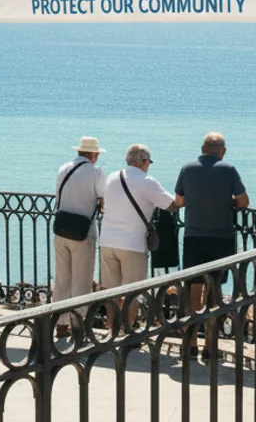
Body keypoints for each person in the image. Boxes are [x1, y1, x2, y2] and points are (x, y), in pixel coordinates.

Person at [99, 144, 177, 327]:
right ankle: (127, 331)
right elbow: (171, 205)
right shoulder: (147, 180)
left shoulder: (112, 177)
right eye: (148, 162)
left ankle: (112, 332)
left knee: (110, 292)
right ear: (142, 162)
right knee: (132, 292)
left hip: (107, 241)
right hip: (132, 243)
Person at [174, 133, 248, 318]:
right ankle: (210, 333)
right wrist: (228, 200)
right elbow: (243, 201)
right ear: (223, 151)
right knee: (215, 284)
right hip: (221, 236)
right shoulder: (228, 169)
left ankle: (192, 328)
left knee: (194, 283)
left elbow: (179, 200)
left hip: (193, 235)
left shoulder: (187, 168)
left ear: (202, 150)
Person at [52, 136, 106, 338]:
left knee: (62, 279)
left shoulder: (63, 168)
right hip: (83, 232)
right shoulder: (96, 172)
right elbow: (103, 199)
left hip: (61, 228)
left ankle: (60, 323)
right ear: (94, 154)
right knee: (81, 281)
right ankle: (78, 325)